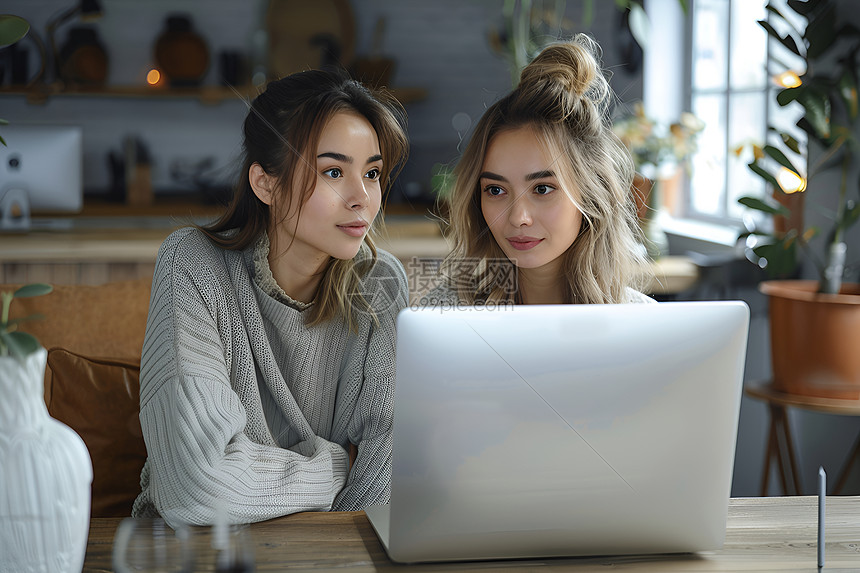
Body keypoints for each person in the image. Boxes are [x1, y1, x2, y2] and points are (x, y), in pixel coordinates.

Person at [131, 67, 410, 526]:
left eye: (373, 172)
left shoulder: (381, 285)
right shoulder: (193, 264)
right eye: (334, 171)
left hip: (332, 558)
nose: (363, 197)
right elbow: (198, 487)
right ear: (266, 184)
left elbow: (384, 485)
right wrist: (339, 464)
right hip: (199, 555)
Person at [431, 34, 653, 306]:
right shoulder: (447, 311)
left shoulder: (639, 318)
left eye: (542, 188)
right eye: (495, 190)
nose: (518, 218)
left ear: (590, 194)